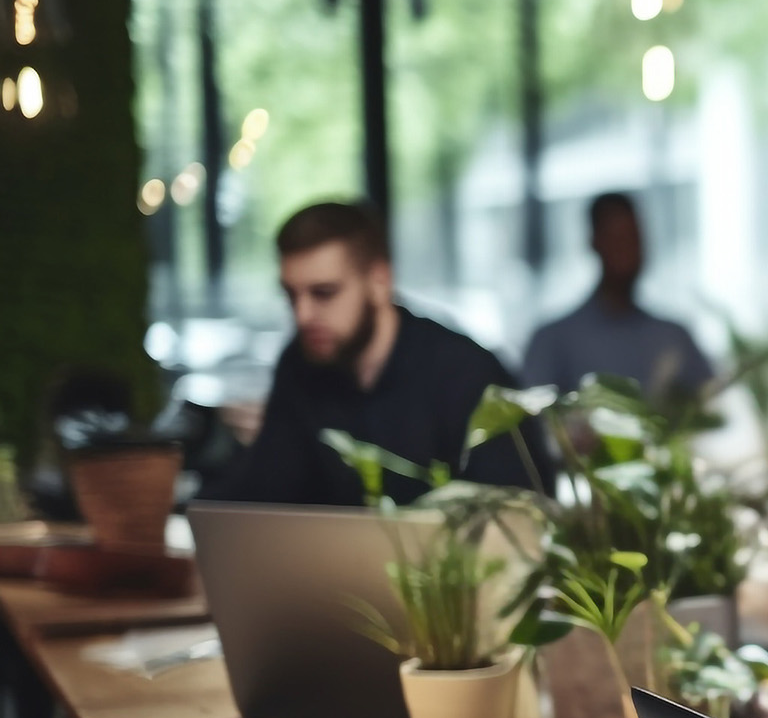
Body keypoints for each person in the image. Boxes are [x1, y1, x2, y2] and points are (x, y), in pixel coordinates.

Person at [205, 201, 547, 506]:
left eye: (324, 293)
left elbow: (517, 514)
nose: (302, 315)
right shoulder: (300, 363)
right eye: (291, 295)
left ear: (379, 282)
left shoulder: (467, 372)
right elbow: (263, 493)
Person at [520, 193, 713, 401]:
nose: (629, 252)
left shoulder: (673, 336)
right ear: (594, 243)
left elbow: (713, 408)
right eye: (618, 240)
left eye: (634, 239)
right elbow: (535, 422)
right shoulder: (553, 340)